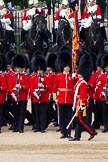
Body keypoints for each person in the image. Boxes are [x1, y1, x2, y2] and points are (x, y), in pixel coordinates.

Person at [69, 54, 98, 141]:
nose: (78, 74)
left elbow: (83, 95)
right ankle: (77, 136)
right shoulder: (79, 82)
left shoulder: (83, 84)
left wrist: (82, 104)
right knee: (79, 120)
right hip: (77, 103)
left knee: (81, 120)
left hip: (81, 104)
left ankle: (92, 132)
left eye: (79, 73)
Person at [53, 50, 75, 139]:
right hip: (61, 99)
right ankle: (63, 132)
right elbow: (54, 88)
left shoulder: (72, 76)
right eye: (66, 67)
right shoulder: (59, 76)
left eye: (68, 66)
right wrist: (55, 98)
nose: (67, 68)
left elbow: (75, 87)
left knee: (69, 117)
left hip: (69, 98)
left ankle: (69, 132)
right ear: (63, 67)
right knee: (61, 117)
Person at [8, 54, 30, 133]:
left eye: (20, 68)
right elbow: (10, 87)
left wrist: (21, 87)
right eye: (17, 68)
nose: (18, 69)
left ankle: (21, 127)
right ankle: (16, 126)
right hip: (15, 96)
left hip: (23, 97)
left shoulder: (25, 76)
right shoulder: (12, 76)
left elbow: (28, 86)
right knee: (16, 112)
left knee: (22, 113)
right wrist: (13, 93)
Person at [30, 54, 49, 133]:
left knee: (43, 113)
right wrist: (35, 93)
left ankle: (42, 127)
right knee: (37, 113)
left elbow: (48, 87)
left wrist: (44, 87)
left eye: (41, 70)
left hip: (43, 98)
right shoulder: (33, 78)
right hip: (36, 98)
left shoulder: (45, 77)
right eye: (38, 70)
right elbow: (31, 88)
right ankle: (37, 126)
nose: (40, 71)